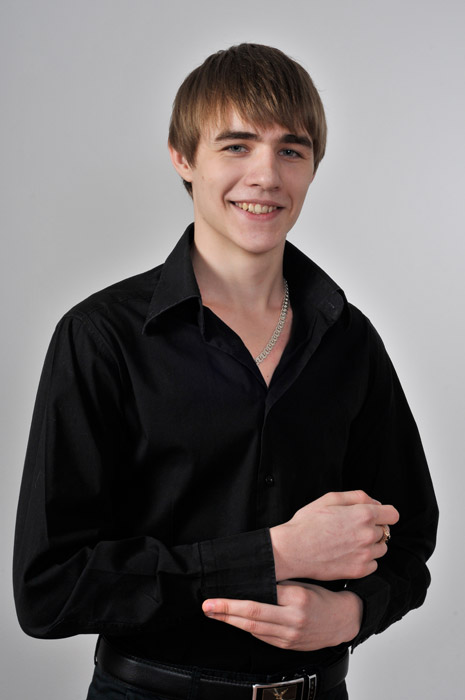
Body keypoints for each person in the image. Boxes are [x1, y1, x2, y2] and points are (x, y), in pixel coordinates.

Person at [13, 43, 438, 700]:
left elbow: (409, 538)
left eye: (290, 150)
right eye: (236, 146)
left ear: (312, 168)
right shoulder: (100, 336)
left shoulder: (349, 339)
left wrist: (354, 613)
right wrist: (275, 555)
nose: (265, 175)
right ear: (183, 158)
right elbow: (51, 588)